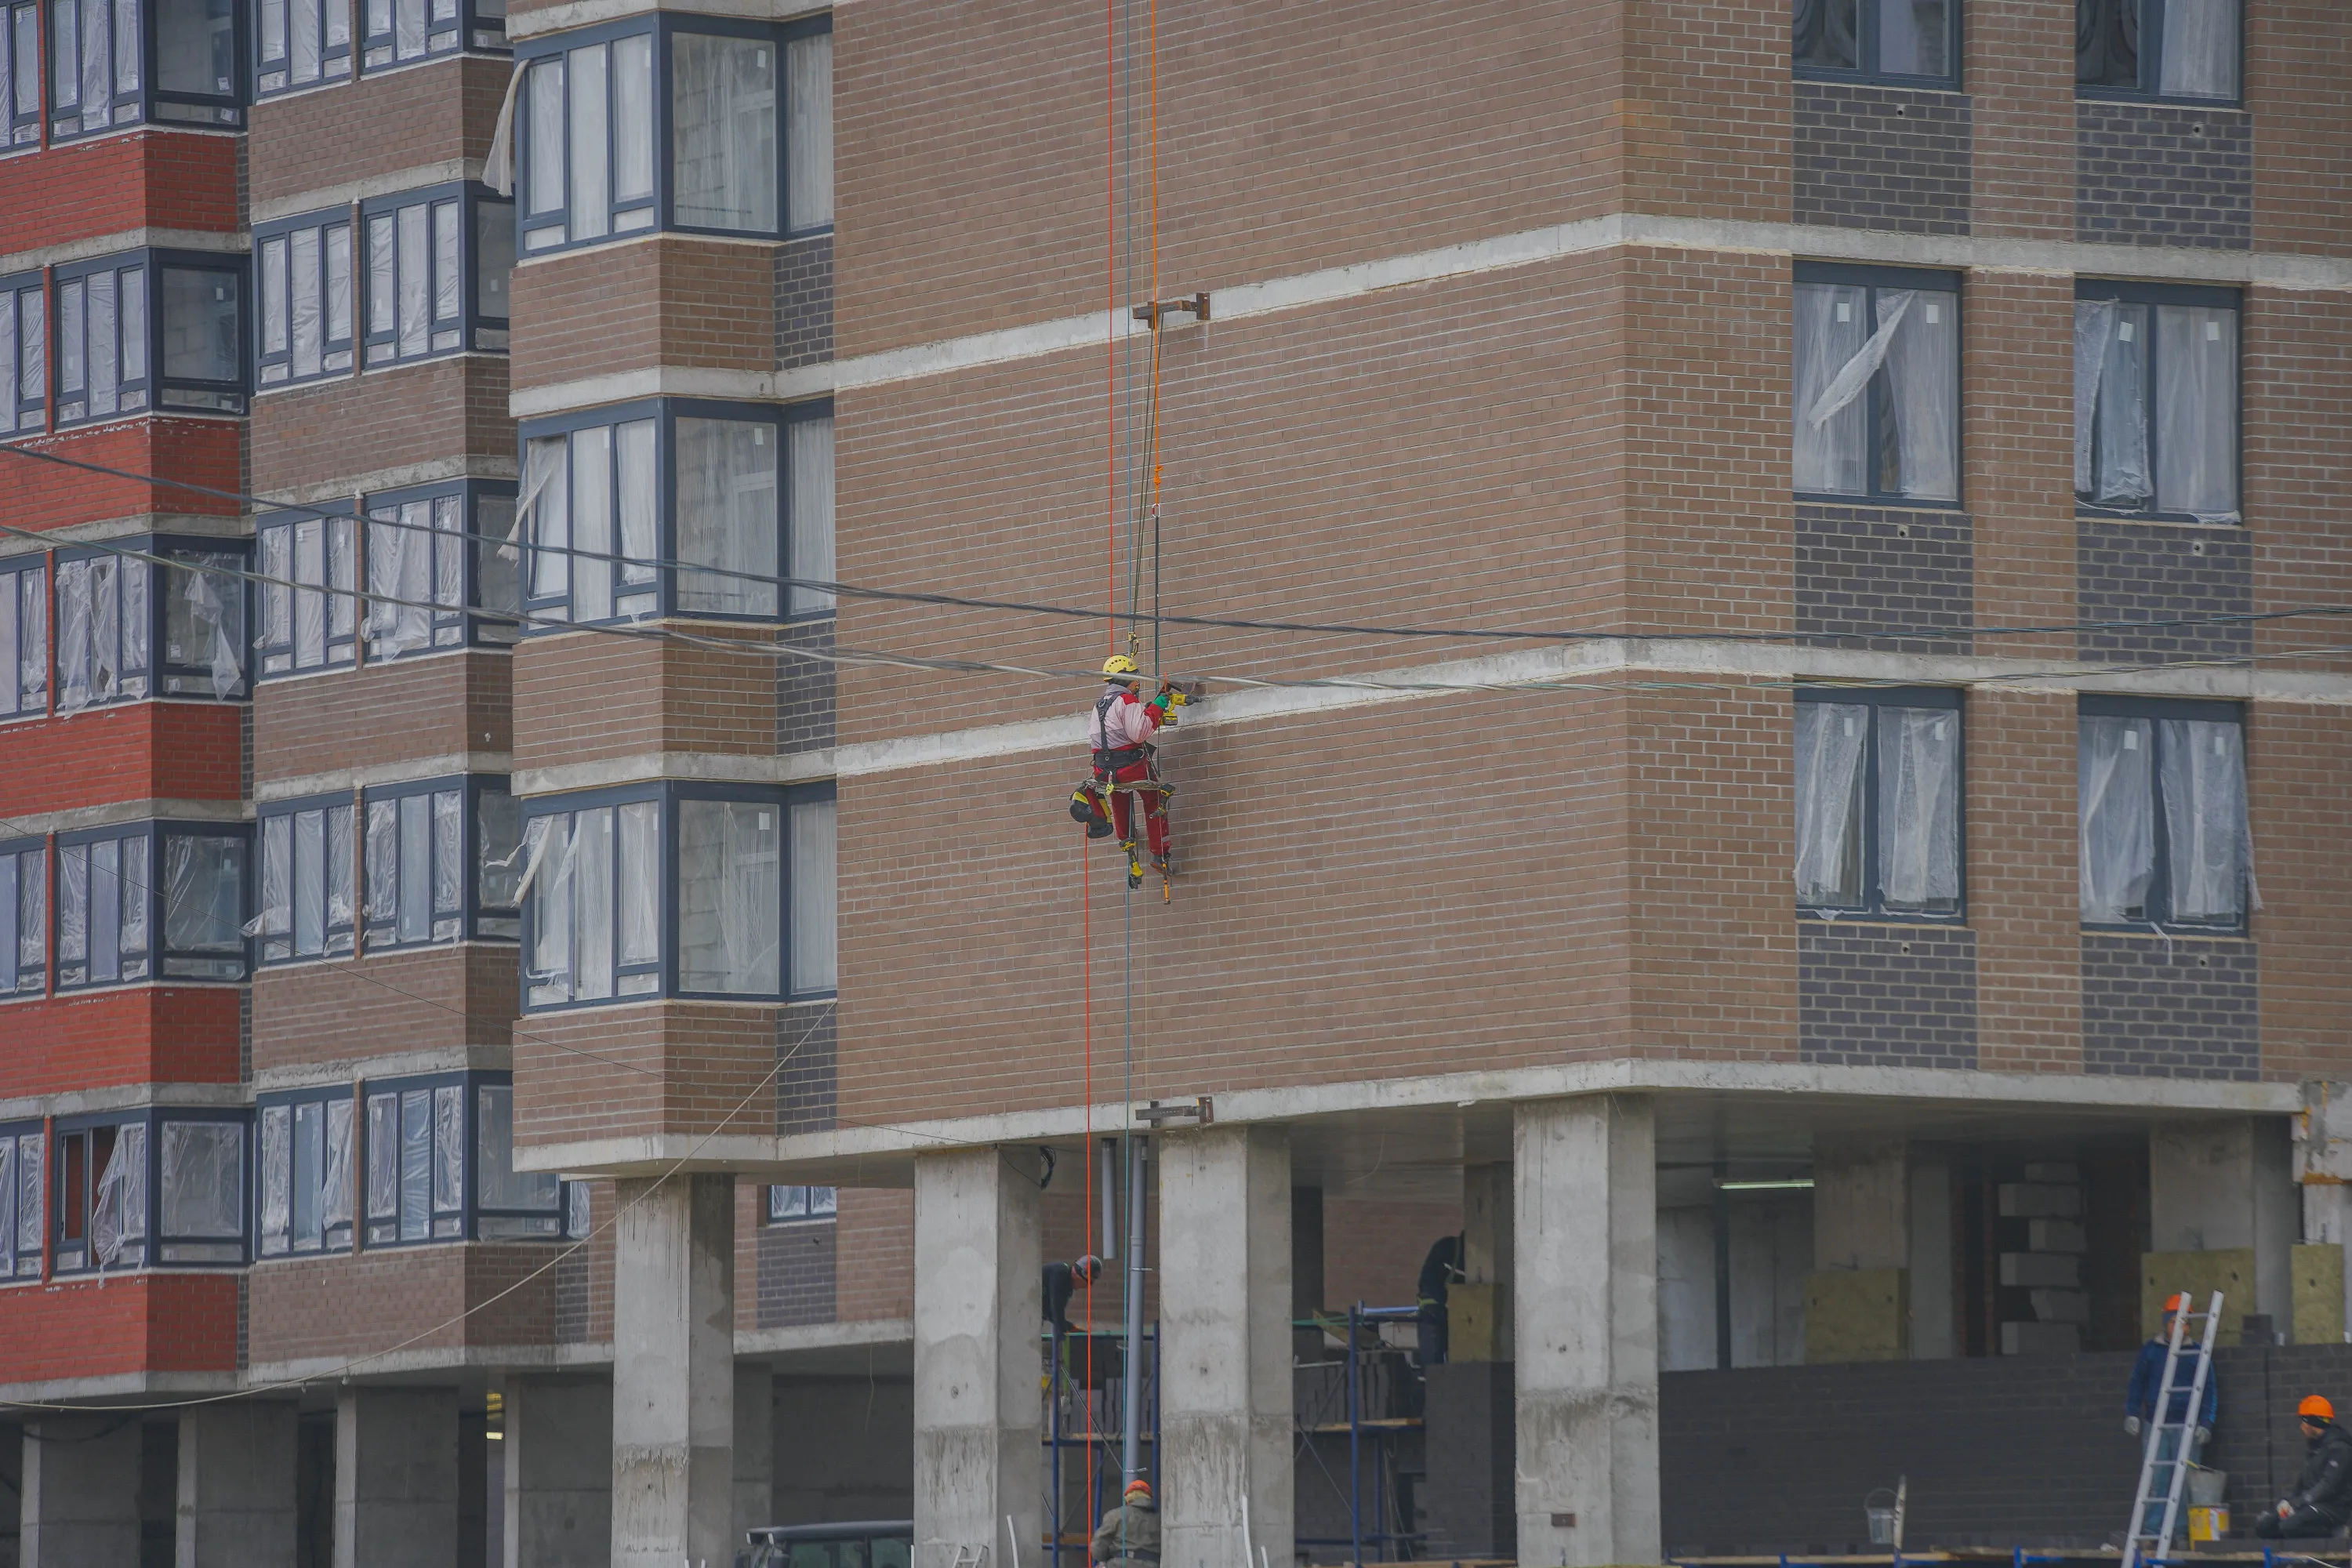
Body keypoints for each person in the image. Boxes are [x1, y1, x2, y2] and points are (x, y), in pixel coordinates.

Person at [1083, 655, 1185, 888]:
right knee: (1153, 801)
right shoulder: (1127, 700)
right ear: (1131, 679)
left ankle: (1130, 851)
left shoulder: (1100, 705)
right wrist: (1158, 706)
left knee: (1120, 802)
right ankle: (1160, 854)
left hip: (1106, 772)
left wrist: (1148, 708)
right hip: (1132, 769)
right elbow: (1139, 733)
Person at [2125, 1294, 2218, 1449]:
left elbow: (2209, 1390)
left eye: (2185, 1323)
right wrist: (2132, 1413)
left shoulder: (2197, 1353)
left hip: (2187, 1425)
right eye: (2174, 1322)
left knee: (2185, 1473)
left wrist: (2206, 1423)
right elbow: (2137, 1383)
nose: (2180, 1328)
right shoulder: (2152, 1350)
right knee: (2157, 1473)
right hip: (2155, 1424)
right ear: (2165, 1323)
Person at [2257, 1396, 2352, 1539]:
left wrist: (2297, 1504)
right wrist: (2288, 1502)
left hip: (2333, 1508)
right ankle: (2287, 1557)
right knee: (2266, 1526)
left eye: (2304, 1421)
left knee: (2290, 1526)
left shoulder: (2340, 1449)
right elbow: (2304, 1484)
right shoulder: (2317, 1447)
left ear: (2313, 1423)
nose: (2301, 1426)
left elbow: (2328, 1487)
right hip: (2311, 1504)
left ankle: (2333, 1535)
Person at [1415, 1234, 1465, 1369]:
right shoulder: (1449, 1249)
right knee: (1433, 1367)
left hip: (1455, 1315)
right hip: (1434, 1315)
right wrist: (1445, 1302)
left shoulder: (1460, 1251)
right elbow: (1428, 1283)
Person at [1091, 1477, 1160, 1568]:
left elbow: (1098, 1547)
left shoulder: (1115, 1515)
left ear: (1128, 1497)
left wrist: (1106, 1558)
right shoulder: (1160, 1520)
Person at [1043, 1254, 1103, 1334]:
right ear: (1081, 1275)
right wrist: (1064, 1332)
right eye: (1088, 1282)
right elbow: (1056, 1309)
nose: (1088, 1286)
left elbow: (1051, 1315)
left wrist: (1071, 1327)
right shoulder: (1061, 1273)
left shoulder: (1067, 1283)